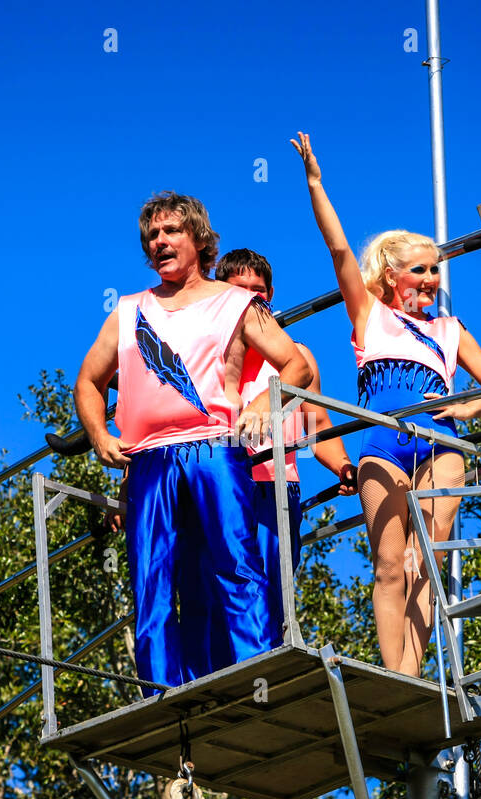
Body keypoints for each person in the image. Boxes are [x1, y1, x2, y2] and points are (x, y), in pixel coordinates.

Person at [291, 132, 481, 678]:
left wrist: (465, 410)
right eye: (421, 270)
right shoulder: (369, 314)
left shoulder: (450, 329)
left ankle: (414, 670)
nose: (432, 280)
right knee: (391, 564)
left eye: (436, 271)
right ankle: (400, 677)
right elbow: (340, 250)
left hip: (440, 441)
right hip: (381, 444)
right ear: (392, 276)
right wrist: (316, 183)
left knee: (428, 560)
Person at [75, 192, 312, 694]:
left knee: (236, 564)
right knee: (151, 580)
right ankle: (161, 695)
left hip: (214, 449)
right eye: (152, 236)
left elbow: (296, 365)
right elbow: (88, 380)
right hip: (149, 462)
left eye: (170, 232)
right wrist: (99, 434)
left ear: (199, 240)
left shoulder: (238, 303)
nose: (160, 242)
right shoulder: (129, 309)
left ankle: (255, 677)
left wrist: (258, 408)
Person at [210, 248, 357, 637]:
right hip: (216, 485)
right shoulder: (206, 353)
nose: (249, 299)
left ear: (270, 296)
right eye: (238, 290)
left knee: (273, 596)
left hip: (277, 488)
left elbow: (316, 429)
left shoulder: (295, 357)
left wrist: (343, 466)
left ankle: (267, 676)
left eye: (257, 292)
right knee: (219, 595)